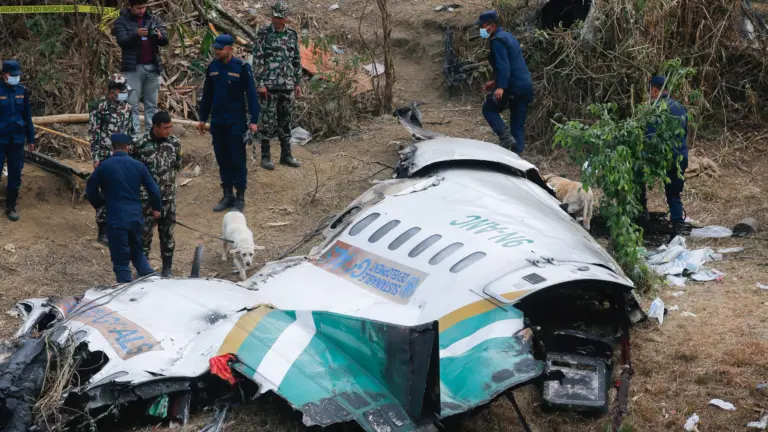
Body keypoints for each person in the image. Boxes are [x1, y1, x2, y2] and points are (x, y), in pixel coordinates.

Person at [86, 133, 162, 283]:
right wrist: (156, 208)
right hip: (135, 218)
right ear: (128, 147)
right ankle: (154, 282)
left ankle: (125, 293)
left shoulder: (104, 166)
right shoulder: (138, 165)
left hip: (117, 219)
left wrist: (99, 203)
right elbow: (154, 189)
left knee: (121, 262)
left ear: (112, 148)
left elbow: (90, 190)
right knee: (138, 254)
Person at [197, 34, 260, 213]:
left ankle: (240, 197)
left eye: (220, 48)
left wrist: (254, 120)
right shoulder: (213, 67)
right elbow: (207, 95)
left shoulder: (241, 67)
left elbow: (252, 95)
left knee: (237, 160)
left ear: (230, 48)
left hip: (236, 122)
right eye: (216, 48)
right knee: (222, 159)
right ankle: (227, 195)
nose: (216, 51)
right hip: (218, 122)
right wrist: (202, 118)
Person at [130, 111, 181, 277]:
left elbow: (176, 166)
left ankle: (167, 269)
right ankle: (142, 271)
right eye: (165, 128)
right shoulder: (139, 144)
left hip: (168, 198)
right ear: (155, 127)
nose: (169, 131)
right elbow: (131, 170)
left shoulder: (175, 143)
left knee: (167, 236)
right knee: (143, 236)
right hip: (146, 199)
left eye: (170, 127)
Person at [476, 10, 533, 155]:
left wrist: (500, 87)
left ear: (492, 26)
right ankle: (517, 159)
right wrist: (495, 82)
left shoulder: (497, 41)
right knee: (517, 125)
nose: (481, 30)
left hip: (512, 86)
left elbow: (504, 66)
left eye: (483, 26)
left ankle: (505, 138)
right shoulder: (508, 36)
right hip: (525, 86)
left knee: (488, 109)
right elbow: (513, 64)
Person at [253, 1, 302, 170]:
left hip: (287, 85)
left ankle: (286, 155)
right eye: (274, 16)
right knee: (267, 121)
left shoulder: (292, 35)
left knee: (285, 121)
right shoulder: (264, 34)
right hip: (269, 86)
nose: (277, 19)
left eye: (280, 17)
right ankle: (265, 156)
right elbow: (258, 59)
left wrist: (297, 82)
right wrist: (260, 83)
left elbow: (296, 59)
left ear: (285, 18)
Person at [89, 73, 136, 245]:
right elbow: (94, 134)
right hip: (105, 157)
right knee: (104, 193)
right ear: (114, 90)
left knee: (122, 191)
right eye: (122, 91)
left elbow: (131, 131)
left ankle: (119, 226)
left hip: (123, 157)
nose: (125, 94)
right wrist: (95, 158)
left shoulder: (127, 107)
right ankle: (102, 231)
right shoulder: (99, 108)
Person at [113, 0, 168, 132]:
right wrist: (136, 34)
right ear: (130, 7)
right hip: (133, 68)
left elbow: (165, 40)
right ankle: (135, 135)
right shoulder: (122, 21)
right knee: (132, 103)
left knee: (152, 104)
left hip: (153, 67)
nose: (142, 11)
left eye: (144, 7)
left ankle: (152, 134)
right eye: (138, 8)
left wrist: (160, 36)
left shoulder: (153, 19)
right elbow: (122, 42)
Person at [641, 76, 689, 226]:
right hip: (680, 155)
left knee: (637, 179)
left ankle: (641, 215)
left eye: (650, 91)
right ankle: (677, 225)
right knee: (674, 195)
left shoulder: (656, 110)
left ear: (655, 90)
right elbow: (685, 132)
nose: (650, 95)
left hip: (662, 157)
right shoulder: (680, 107)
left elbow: (649, 137)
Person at [0, 60, 35, 222]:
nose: (16, 78)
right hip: (1, 139)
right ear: (4, 75)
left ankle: (11, 206)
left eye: (17, 75)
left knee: (15, 174)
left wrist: (31, 138)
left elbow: (27, 116)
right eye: (13, 75)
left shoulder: (22, 91)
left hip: (17, 139)